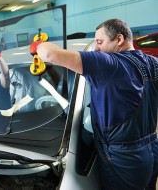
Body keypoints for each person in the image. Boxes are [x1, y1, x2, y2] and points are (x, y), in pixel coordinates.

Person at [36, 18, 158, 190]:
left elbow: (50, 55)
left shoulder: (109, 63)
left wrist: (38, 45)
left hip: (122, 158)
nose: (97, 48)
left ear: (119, 39)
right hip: (151, 149)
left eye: (100, 42)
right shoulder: (153, 63)